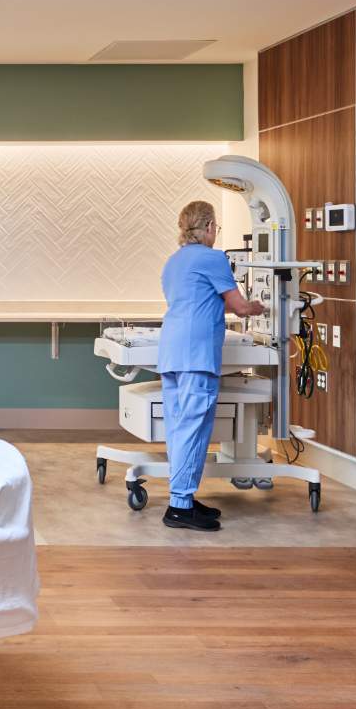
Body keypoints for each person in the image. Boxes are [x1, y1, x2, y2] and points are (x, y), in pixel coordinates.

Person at [156, 199, 264, 531]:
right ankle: (178, 507)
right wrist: (260, 306)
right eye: (215, 228)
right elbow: (240, 308)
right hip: (196, 353)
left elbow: (199, 299)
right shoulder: (213, 257)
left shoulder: (173, 262)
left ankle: (184, 499)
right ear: (209, 228)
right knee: (193, 426)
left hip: (172, 351)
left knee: (179, 428)